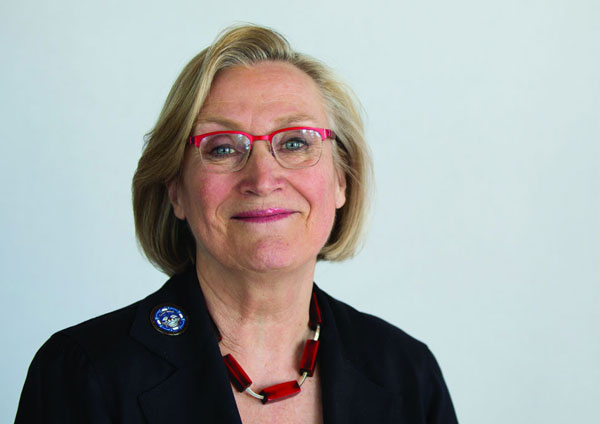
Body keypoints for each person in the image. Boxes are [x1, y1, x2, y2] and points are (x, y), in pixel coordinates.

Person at [16, 25, 458, 423]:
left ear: (342, 179)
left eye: (295, 142)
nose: (263, 179)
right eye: (223, 148)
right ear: (176, 190)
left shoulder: (408, 374)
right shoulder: (83, 373)